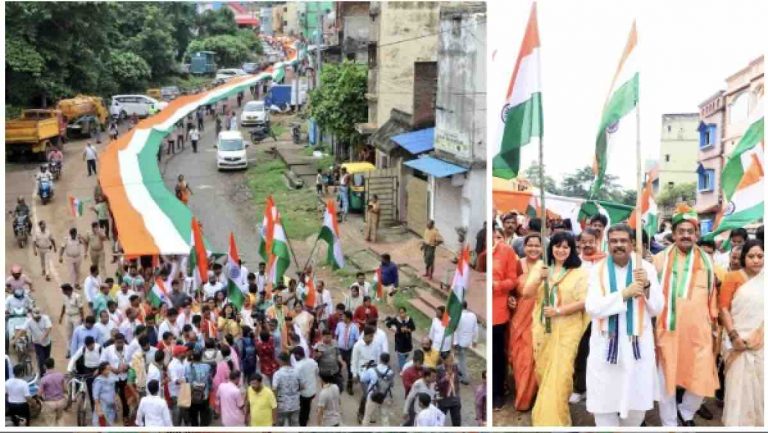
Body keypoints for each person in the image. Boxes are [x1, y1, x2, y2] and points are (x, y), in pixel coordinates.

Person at [583, 224, 663, 426]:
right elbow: (592, 307)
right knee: (603, 404)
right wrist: (624, 295)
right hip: (605, 348)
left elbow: (657, 308)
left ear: (632, 243)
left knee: (637, 405)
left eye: (623, 240)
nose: (618, 245)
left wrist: (646, 286)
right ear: (607, 244)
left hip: (637, 346)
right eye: (614, 241)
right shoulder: (597, 269)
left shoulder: (646, 269)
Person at [652, 204, 718, 427]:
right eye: (681, 231)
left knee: (702, 374)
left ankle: (686, 411)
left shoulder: (708, 262)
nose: (686, 235)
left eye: (690, 231)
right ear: (673, 234)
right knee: (666, 378)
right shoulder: (659, 259)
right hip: (668, 329)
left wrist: (714, 322)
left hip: (699, 331)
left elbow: (713, 295)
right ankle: (669, 423)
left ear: (697, 234)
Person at [521, 230, 589, 426]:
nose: (561, 250)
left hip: (568, 329)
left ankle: (555, 421)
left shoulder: (579, 272)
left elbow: (584, 302)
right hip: (543, 329)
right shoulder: (542, 267)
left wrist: (558, 311)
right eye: (557, 246)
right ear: (551, 248)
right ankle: (547, 413)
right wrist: (539, 278)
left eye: (566, 247)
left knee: (561, 374)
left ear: (572, 249)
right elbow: (526, 294)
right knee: (544, 371)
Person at [719, 239, 764, 426]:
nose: (756, 260)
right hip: (737, 342)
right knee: (739, 389)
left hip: (762, 343)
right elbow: (724, 309)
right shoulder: (733, 277)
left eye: (760, 256)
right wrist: (734, 336)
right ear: (744, 257)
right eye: (751, 256)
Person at [507, 232, 542, 410]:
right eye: (530, 245)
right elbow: (510, 286)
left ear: (542, 248)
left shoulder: (546, 267)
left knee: (533, 357)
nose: (533, 249)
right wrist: (510, 297)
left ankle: (529, 396)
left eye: (537, 245)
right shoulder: (517, 264)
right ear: (524, 247)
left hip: (539, 318)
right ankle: (521, 393)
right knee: (520, 356)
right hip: (519, 317)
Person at [491, 227, 518, 410]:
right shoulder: (484, 250)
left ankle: (498, 392)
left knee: (497, 354)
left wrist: (497, 285)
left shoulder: (506, 251)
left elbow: (513, 280)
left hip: (499, 312)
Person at [360, 352, 394, 425]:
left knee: (367, 416)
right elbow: (391, 384)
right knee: (385, 418)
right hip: (385, 396)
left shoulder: (372, 370)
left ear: (380, 359)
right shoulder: (390, 372)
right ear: (388, 361)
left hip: (373, 395)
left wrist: (365, 369)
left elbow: (363, 379)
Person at [272, 351, 303, 426]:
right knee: (295, 424)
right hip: (295, 403)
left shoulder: (277, 374)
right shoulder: (297, 372)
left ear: (281, 361)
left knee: (280, 424)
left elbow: (274, 389)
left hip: (282, 404)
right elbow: (302, 386)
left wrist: (274, 402)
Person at [185, 349, 213, 426]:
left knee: (193, 417)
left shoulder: (188, 367)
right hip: (204, 395)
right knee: (204, 416)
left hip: (192, 395)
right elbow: (210, 380)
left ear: (192, 358)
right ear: (201, 357)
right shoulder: (207, 366)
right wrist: (210, 388)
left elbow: (187, 381)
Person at [453, 301, 478, 384]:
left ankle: (465, 378)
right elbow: (475, 328)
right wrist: (475, 340)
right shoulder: (473, 315)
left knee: (462, 360)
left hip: (460, 342)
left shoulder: (458, 316)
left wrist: (455, 343)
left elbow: (456, 330)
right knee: (461, 358)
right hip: (468, 341)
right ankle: (460, 370)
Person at [335, 310, 359, 395]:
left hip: (350, 351)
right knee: (337, 367)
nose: (342, 317)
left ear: (348, 318)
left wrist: (355, 351)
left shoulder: (355, 327)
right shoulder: (339, 325)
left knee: (350, 369)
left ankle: (349, 386)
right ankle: (338, 384)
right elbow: (336, 336)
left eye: (344, 316)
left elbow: (356, 340)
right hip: (340, 350)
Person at [436, 352, 462, 426]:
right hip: (443, 401)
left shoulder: (455, 367)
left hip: (455, 400)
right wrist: (444, 379)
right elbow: (436, 385)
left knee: (457, 423)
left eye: (452, 359)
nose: (452, 361)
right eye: (450, 359)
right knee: (439, 423)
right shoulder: (439, 369)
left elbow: (459, 377)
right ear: (444, 360)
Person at [39, 358, 67, 426]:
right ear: (53, 365)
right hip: (61, 402)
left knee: (51, 423)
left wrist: (42, 400)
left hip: (50, 403)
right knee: (60, 419)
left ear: (45, 366)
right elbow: (65, 389)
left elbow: (39, 394)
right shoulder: (60, 375)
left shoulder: (43, 379)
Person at [25, 307, 53, 374]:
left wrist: (43, 337)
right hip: (37, 343)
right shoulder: (29, 321)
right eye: (36, 318)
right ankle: (42, 374)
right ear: (32, 316)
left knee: (47, 359)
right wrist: (15, 339)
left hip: (47, 343)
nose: (37, 319)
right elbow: (23, 330)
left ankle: (48, 372)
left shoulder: (45, 318)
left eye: (38, 317)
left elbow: (49, 328)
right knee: (41, 359)